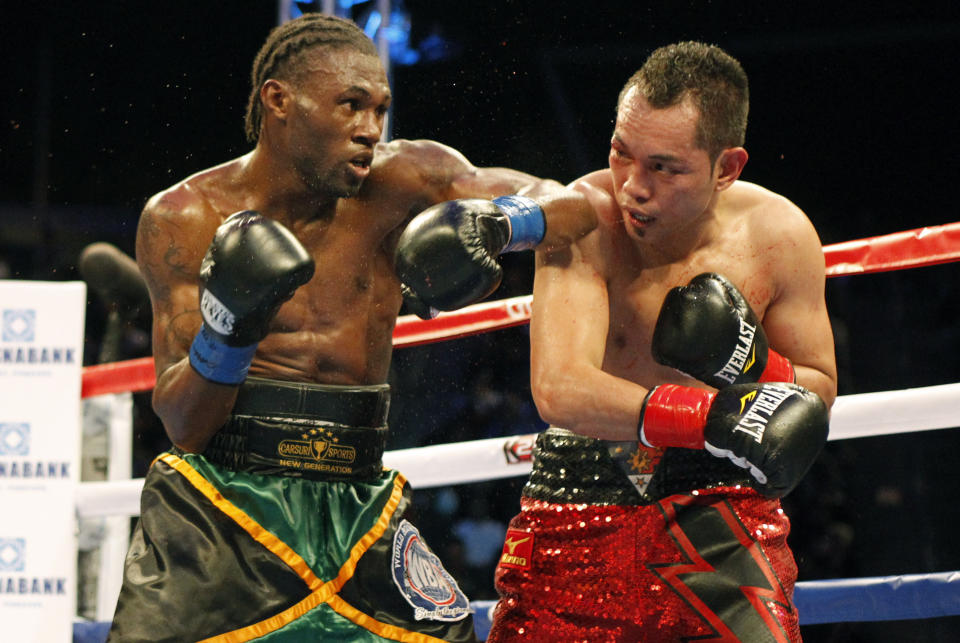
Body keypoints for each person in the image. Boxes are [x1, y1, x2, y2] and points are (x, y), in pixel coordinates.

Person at [106, 13, 594, 643]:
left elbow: (576, 202)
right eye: (350, 106)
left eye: (380, 110)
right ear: (278, 100)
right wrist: (229, 329)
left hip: (358, 495)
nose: (370, 131)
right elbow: (185, 425)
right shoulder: (188, 216)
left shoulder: (406, 179)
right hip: (223, 503)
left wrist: (501, 225)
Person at [481, 41, 835, 641]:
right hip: (579, 500)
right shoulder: (583, 217)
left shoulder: (780, 235)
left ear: (726, 168)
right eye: (622, 154)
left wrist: (751, 363)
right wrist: (712, 414)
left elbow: (819, 385)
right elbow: (560, 389)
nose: (632, 187)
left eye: (664, 167)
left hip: (722, 508)